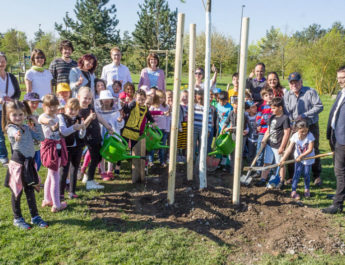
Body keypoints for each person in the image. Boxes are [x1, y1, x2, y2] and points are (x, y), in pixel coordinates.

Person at [3, 100, 48, 229]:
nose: (18, 118)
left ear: (25, 114)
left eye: (20, 114)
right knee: (17, 192)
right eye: (14, 115)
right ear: (9, 116)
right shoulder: (11, 128)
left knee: (30, 190)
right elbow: (13, 135)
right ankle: (17, 218)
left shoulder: (27, 127)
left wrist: (36, 122)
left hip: (29, 164)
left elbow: (41, 138)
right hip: (18, 165)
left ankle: (35, 217)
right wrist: (17, 136)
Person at [284, 72, 323, 186]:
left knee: (313, 148)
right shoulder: (287, 95)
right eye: (291, 83)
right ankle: (292, 175)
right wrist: (290, 121)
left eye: (296, 82)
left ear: (301, 82)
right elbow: (286, 111)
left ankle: (317, 176)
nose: (294, 85)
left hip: (311, 125)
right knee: (292, 149)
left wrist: (305, 115)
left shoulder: (310, 92)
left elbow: (319, 106)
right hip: (295, 126)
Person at [77, 87, 114, 190]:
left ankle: (91, 179)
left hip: (96, 136)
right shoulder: (79, 111)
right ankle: (89, 182)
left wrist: (108, 127)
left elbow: (99, 118)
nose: (87, 100)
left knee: (97, 158)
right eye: (85, 98)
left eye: (89, 98)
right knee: (94, 158)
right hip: (89, 138)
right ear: (78, 97)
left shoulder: (91, 108)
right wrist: (89, 118)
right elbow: (81, 126)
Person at [39, 94, 68, 213]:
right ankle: (56, 204)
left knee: (51, 175)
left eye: (55, 106)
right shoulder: (44, 116)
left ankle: (47, 199)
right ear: (44, 106)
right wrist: (49, 122)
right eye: (50, 106)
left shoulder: (57, 116)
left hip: (58, 146)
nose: (53, 109)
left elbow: (59, 129)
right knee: (55, 176)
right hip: (50, 148)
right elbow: (42, 120)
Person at [322, 66, 345, 214]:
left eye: (343, 78)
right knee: (339, 171)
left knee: (340, 172)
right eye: (338, 78)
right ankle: (340, 193)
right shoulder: (341, 92)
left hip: (343, 140)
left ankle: (337, 204)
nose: (340, 81)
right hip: (335, 137)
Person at [259, 97, 290, 188]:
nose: (271, 110)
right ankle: (263, 179)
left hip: (278, 145)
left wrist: (282, 147)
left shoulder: (285, 118)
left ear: (280, 108)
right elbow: (268, 130)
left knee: (280, 163)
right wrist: (264, 140)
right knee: (267, 162)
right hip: (269, 144)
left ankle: (281, 181)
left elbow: (287, 133)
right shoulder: (272, 117)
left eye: (273, 108)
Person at [280, 120, 315, 200]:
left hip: (308, 158)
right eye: (302, 131)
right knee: (297, 174)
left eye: (306, 131)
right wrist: (283, 159)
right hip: (298, 158)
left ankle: (307, 189)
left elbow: (310, 149)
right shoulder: (295, 136)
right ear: (297, 129)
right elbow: (289, 149)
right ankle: (293, 191)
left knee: (306, 174)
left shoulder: (310, 136)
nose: (304, 133)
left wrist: (302, 155)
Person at [57, 98, 85, 199]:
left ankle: (72, 191)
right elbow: (63, 132)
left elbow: (82, 135)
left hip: (77, 147)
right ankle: (60, 193)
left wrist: (82, 128)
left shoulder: (78, 118)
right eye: (70, 109)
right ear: (65, 108)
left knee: (75, 168)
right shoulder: (61, 117)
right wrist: (74, 127)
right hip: (66, 147)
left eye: (76, 109)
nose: (73, 111)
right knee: (64, 170)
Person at [96, 90, 124, 180]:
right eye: (105, 99)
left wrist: (120, 121)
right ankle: (103, 171)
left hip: (113, 135)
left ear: (112, 100)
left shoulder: (115, 112)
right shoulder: (98, 112)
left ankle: (109, 170)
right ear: (101, 101)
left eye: (108, 99)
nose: (107, 101)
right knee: (102, 153)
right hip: (101, 134)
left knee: (111, 152)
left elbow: (119, 125)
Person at [0, 52, 21, 166]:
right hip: (0, 110)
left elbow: (18, 92)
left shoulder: (11, 77)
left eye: (2, 61)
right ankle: (3, 157)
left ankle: (15, 155)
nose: (0, 63)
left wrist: (12, 100)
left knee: (14, 132)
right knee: (0, 135)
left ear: (6, 62)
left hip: (11, 110)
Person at [148, 90, 169, 167]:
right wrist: (151, 126)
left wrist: (167, 129)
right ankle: (151, 161)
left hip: (163, 130)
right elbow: (149, 116)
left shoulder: (166, 107)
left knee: (162, 146)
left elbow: (167, 118)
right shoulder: (153, 107)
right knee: (152, 146)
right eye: (160, 98)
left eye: (163, 98)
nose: (161, 99)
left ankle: (162, 161)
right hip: (154, 130)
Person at [255, 87, 274, 171]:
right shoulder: (261, 107)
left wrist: (265, 118)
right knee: (259, 151)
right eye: (266, 95)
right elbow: (258, 121)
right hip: (262, 132)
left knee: (270, 152)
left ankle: (269, 171)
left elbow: (274, 119)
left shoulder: (275, 106)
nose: (269, 96)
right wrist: (264, 119)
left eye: (270, 94)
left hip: (272, 132)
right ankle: (258, 169)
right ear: (263, 97)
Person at [23, 92, 42, 172]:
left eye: (37, 103)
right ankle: (27, 183)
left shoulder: (35, 113)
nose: (35, 105)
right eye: (32, 103)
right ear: (26, 102)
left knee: (37, 165)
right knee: (28, 168)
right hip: (28, 147)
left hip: (37, 145)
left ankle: (34, 182)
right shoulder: (22, 115)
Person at [193, 90, 213, 161]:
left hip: (203, 129)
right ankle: (192, 161)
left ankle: (199, 162)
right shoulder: (193, 106)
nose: (200, 101)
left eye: (201, 99)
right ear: (195, 98)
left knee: (202, 146)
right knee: (192, 145)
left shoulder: (207, 108)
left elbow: (210, 121)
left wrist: (208, 130)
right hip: (194, 129)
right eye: (198, 99)